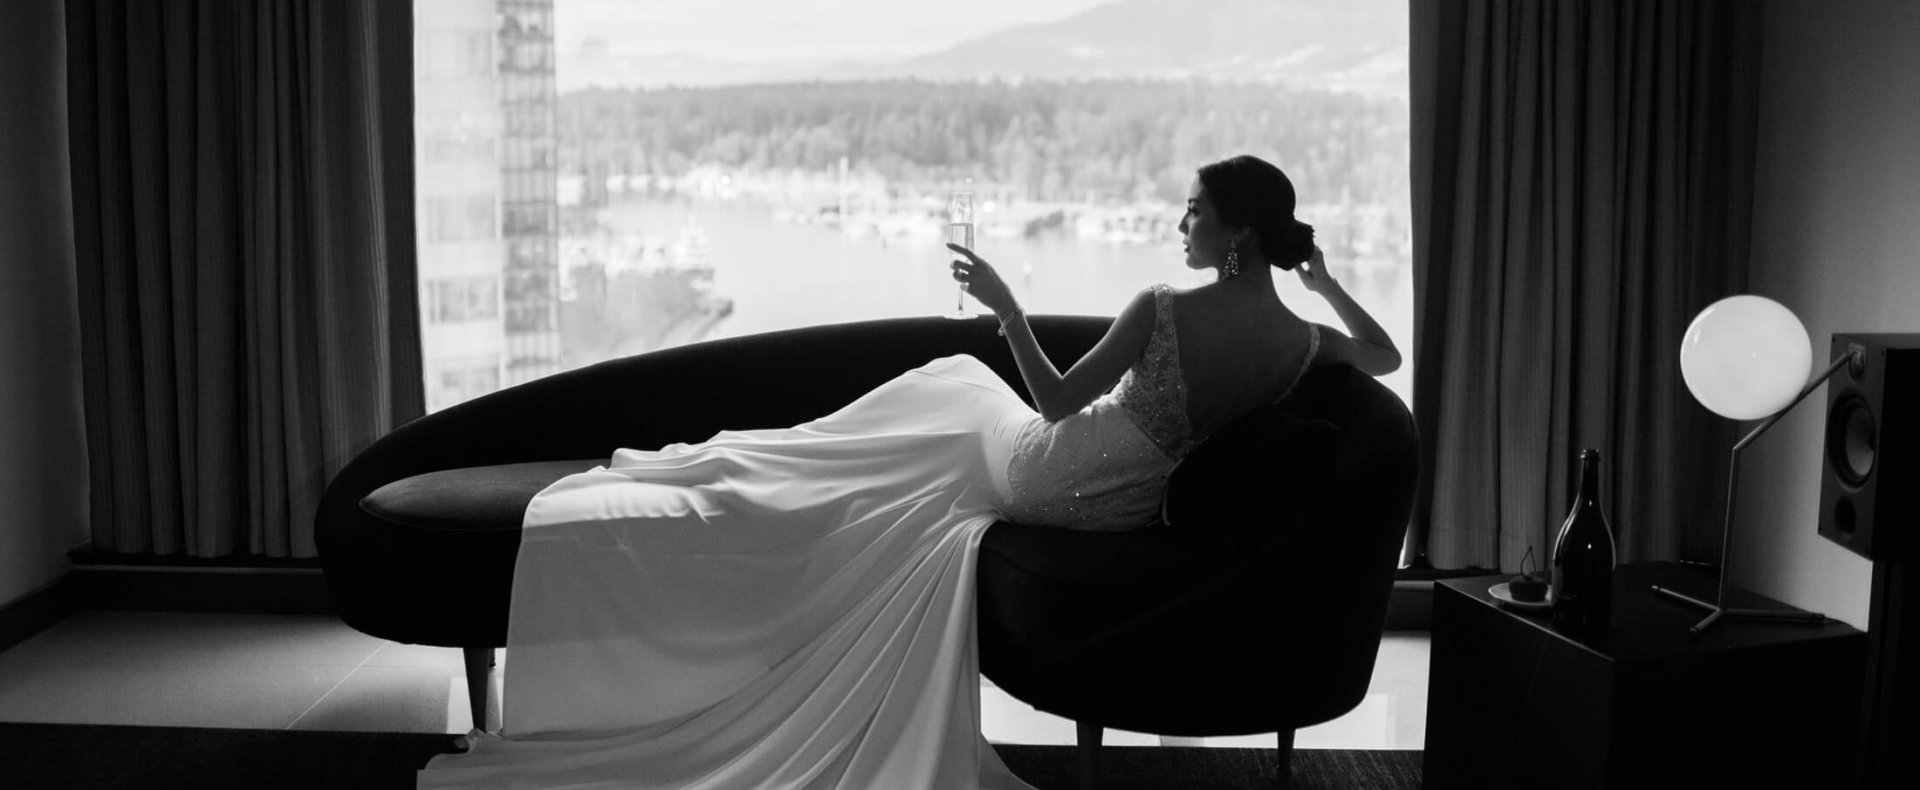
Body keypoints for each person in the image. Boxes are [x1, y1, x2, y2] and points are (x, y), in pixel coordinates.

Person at [417, 154, 1399, 789]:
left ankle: (784, 465)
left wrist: (1009, 304)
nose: (1180, 223)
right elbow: (1386, 357)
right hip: (1125, 501)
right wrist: (1320, 281)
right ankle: (804, 467)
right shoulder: (1301, 344)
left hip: (1054, 473)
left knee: (952, 378)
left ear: (1234, 234)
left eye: (1195, 210)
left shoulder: (1163, 306)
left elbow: (1057, 402)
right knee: (949, 401)